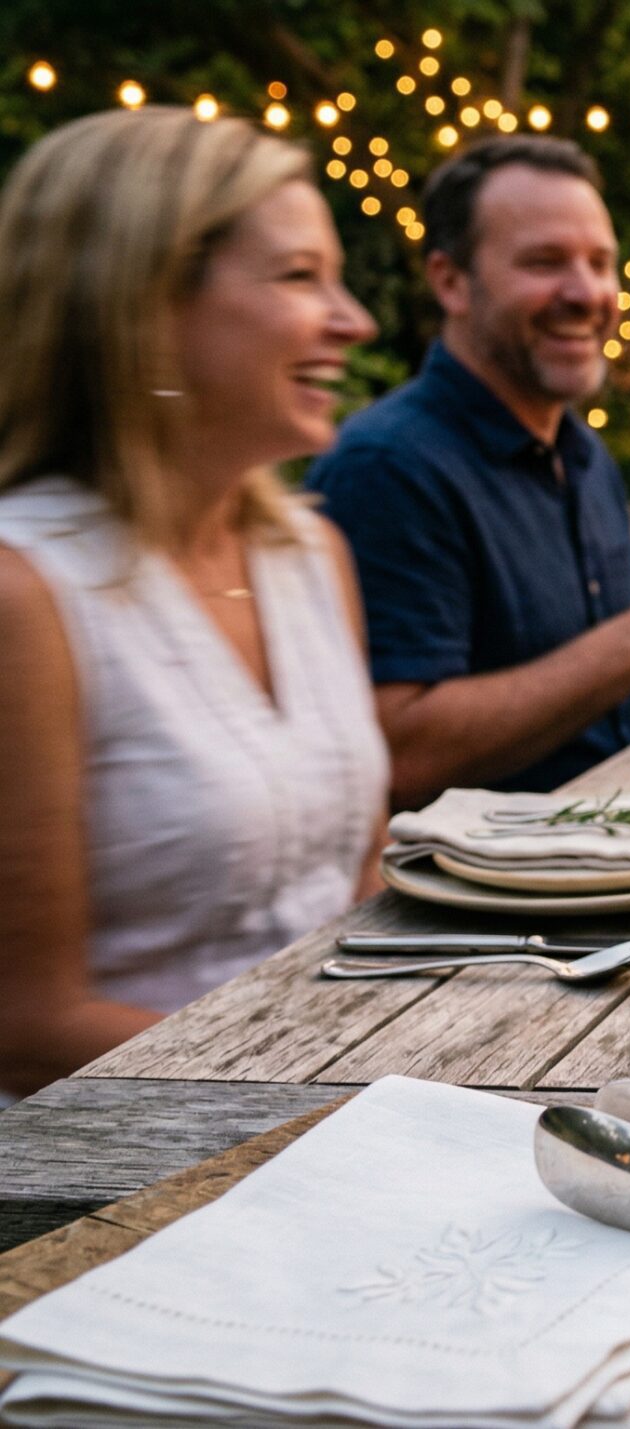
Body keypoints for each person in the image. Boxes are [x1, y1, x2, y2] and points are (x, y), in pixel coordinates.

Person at [0, 110, 389, 1096]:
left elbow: (358, 890)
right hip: (110, 1153)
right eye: (299, 276)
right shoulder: (25, 594)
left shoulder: (310, 554)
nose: (354, 321)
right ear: (143, 305)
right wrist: (344, 1088)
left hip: (342, 1094)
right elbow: (26, 1025)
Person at [308, 138, 630, 807]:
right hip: (490, 871)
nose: (587, 293)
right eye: (544, 262)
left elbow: (629, 677)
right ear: (450, 282)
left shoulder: (580, 451)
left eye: (601, 263)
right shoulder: (388, 466)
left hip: (628, 830)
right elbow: (399, 752)